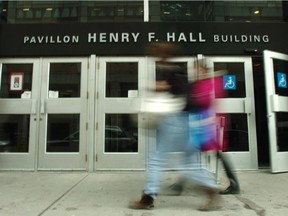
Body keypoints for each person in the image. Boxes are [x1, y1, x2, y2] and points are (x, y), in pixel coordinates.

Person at [129, 42, 222, 211]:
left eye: (155, 54)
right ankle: (211, 190)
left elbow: (172, 91)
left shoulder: (169, 70)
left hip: (175, 120)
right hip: (187, 120)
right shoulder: (179, 71)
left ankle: (148, 198)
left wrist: (150, 86)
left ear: (161, 55)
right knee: (188, 162)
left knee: (157, 160)